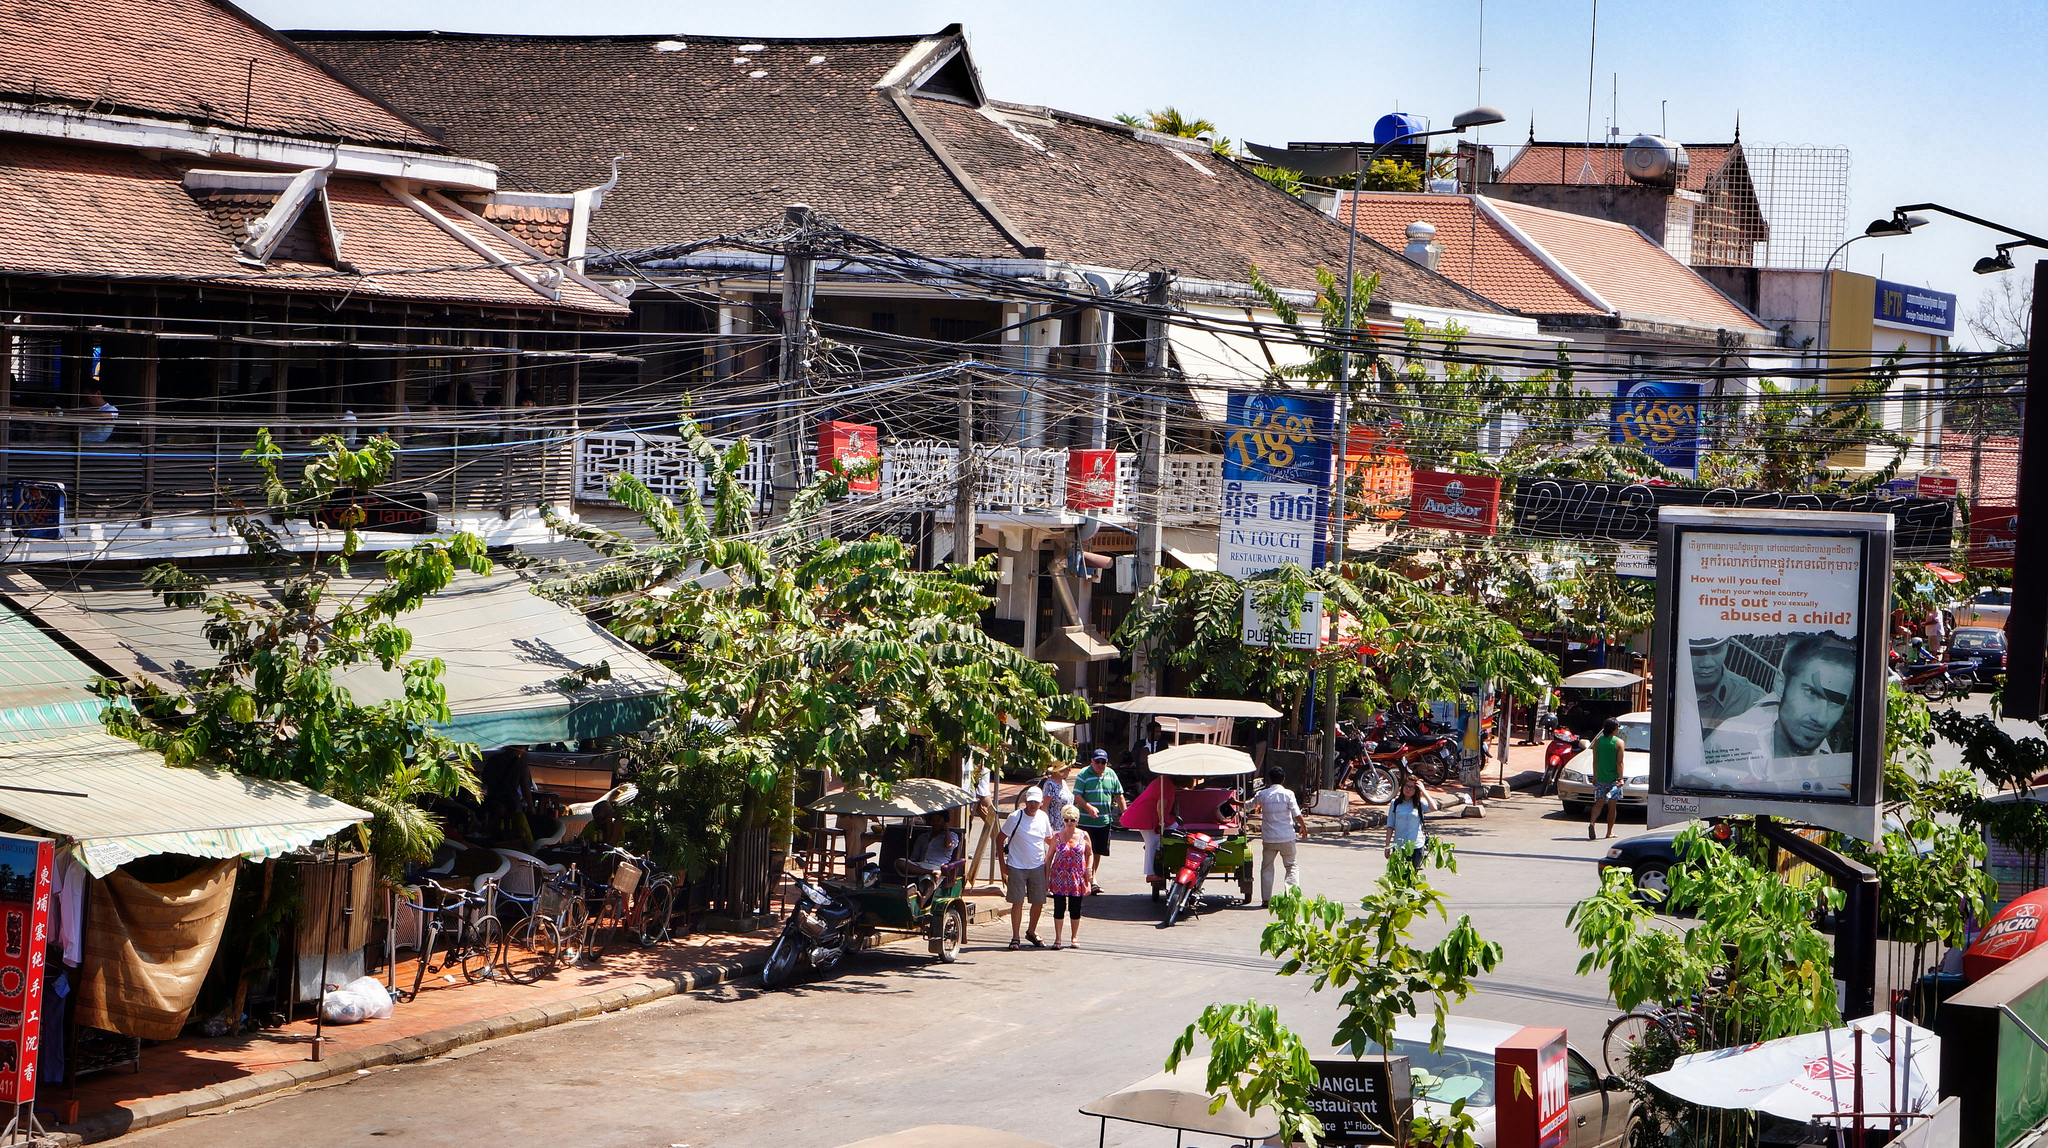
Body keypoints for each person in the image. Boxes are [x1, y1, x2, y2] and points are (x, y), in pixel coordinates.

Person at [1703, 636, 1857, 791]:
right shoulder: (1728, 740)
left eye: (1837, 702)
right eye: (1812, 693)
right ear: (1781, 685)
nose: (1821, 718)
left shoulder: (1834, 772)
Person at [998, 787, 1053, 949]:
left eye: (1036, 802)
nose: (1033, 805)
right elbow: (999, 839)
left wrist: (1053, 856)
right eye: (1030, 801)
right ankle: (1015, 937)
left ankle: (1031, 931)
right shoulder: (1015, 817)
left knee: (1038, 901)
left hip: (1037, 865)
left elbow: (1049, 839)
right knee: (1017, 902)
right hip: (1016, 866)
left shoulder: (1043, 817)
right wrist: (1003, 865)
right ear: (1025, 801)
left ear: (1041, 803)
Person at [1070, 749, 1125, 891]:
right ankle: (1081, 878)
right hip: (1085, 822)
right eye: (1098, 762)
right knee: (1083, 850)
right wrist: (1088, 808)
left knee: (1097, 851)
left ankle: (1092, 879)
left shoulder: (1111, 774)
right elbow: (1077, 796)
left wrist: (1124, 813)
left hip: (1103, 821)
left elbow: (1119, 794)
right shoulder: (1083, 774)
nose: (1100, 765)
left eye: (1103, 762)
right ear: (1092, 761)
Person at [1254, 764, 1306, 906]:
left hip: (1269, 839)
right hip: (1286, 838)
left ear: (1269, 780)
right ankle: (1291, 898)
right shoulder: (1288, 794)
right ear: (1283, 779)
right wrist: (1304, 827)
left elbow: (1248, 805)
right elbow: (1297, 814)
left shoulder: (1262, 795)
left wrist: (1235, 802)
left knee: (1267, 867)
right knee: (1291, 867)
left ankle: (1266, 899)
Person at [1120, 770, 1180, 891]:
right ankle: (1150, 873)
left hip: (1150, 814)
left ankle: (1156, 857)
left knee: (1163, 836)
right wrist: (1161, 823)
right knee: (1152, 842)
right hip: (1146, 816)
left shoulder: (1164, 782)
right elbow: (1160, 807)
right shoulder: (1166, 785)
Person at [1689, 637, 1764, 732]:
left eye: (1716, 649)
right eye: (1695, 651)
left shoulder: (1754, 701)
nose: (1707, 663)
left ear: (1727, 646)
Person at [1046, 805, 1093, 949]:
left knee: (1075, 907)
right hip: (1059, 876)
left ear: (1077, 821)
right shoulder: (1057, 836)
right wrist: (1047, 879)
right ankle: (1058, 938)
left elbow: (1090, 853)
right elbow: (1049, 858)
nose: (1069, 823)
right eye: (1066, 820)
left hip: (1076, 877)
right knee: (1059, 907)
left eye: (1072, 820)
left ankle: (1074, 936)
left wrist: (1089, 869)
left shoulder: (1083, 835)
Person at [1384, 772, 1433, 868]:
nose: (1408, 789)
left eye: (1412, 787)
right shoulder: (1395, 803)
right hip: (1399, 846)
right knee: (1399, 877)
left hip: (1416, 846)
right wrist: (1387, 846)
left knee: (1412, 876)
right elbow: (1390, 825)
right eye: (1406, 786)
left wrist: (1424, 790)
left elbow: (1434, 807)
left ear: (1416, 790)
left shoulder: (1419, 803)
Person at [1586, 718, 1624, 840]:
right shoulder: (1618, 743)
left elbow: (1595, 760)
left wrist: (1595, 776)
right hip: (1614, 779)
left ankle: (1592, 822)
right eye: (1617, 727)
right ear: (1613, 729)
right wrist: (1621, 778)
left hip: (1601, 778)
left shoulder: (1598, 741)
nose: (1618, 729)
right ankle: (1609, 832)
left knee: (1599, 803)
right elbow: (1620, 762)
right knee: (1612, 807)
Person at [1040, 762, 1075, 834]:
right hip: (1056, 827)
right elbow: (1045, 807)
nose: (1070, 770)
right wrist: (1048, 827)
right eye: (1068, 768)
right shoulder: (1050, 784)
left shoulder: (1063, 782)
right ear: (1060, 771)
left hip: (1067, 825)